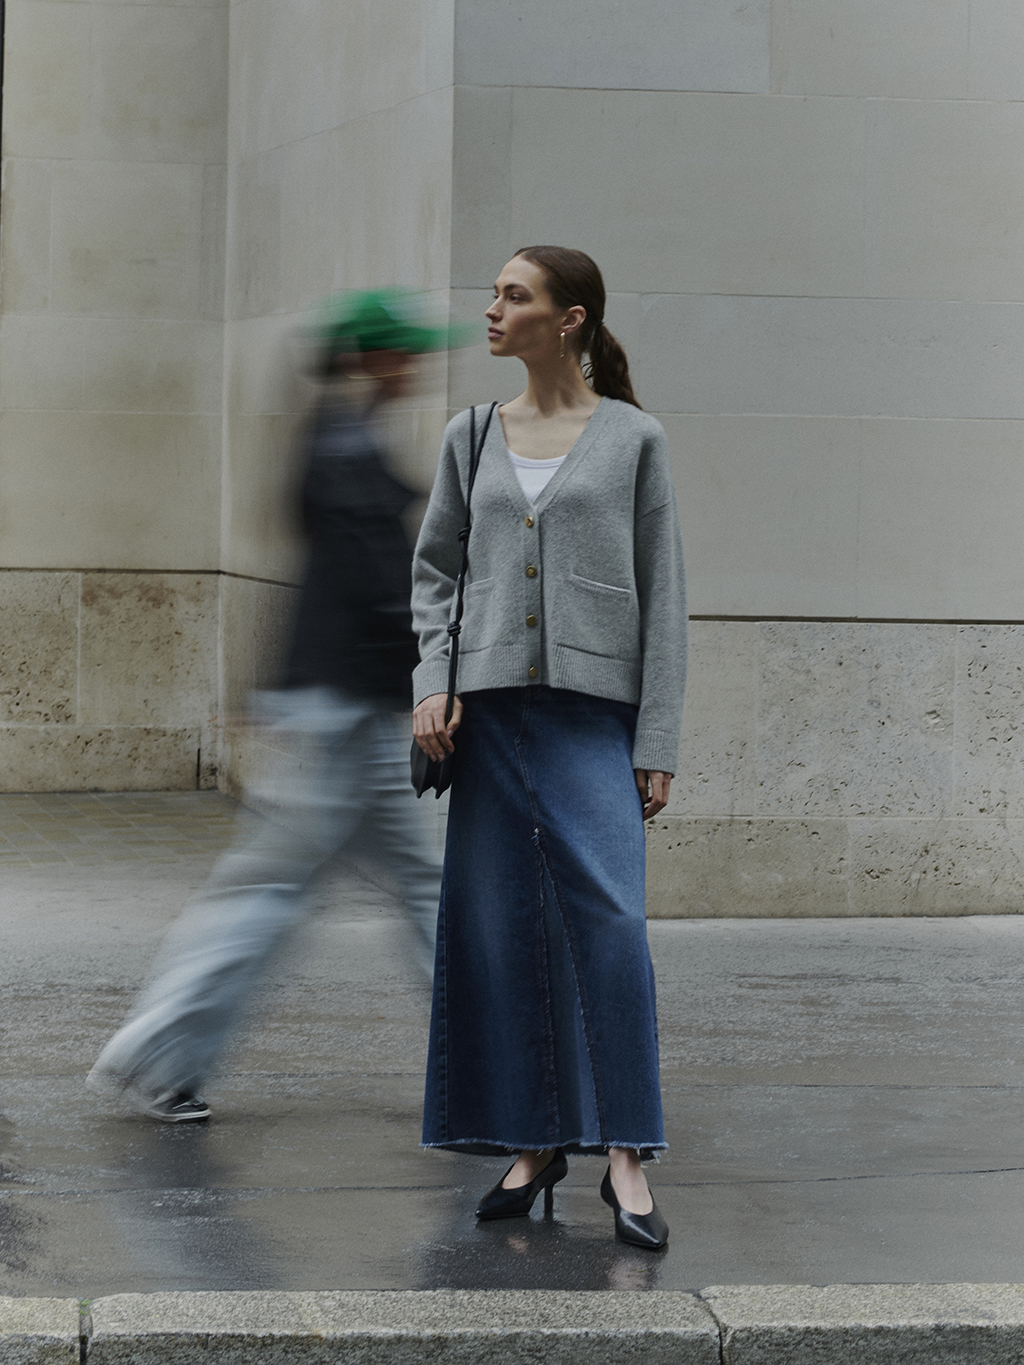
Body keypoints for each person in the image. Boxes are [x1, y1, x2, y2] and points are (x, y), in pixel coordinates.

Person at [88, 289, 471, 1123]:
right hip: (350, 716)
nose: (414, 366)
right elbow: (384, 593)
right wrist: (434, 686)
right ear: (370, 359)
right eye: (402, 352)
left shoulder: (341, 440)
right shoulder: (344, 450)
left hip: (343, 711)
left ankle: (484, 1062)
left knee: (403, 887)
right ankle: (157, 1051)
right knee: (279, 893)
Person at [411, 247, 687, 1249]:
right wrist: (430, 685)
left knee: (610, 925)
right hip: (484, 720)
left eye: (512, 296)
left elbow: (665, 597)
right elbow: (435, 573)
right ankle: (532, 1146)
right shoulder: (472, 435)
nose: (490, 310)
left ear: (567, 320)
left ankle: (624, 1151)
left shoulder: (632, 440)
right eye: (494, 294)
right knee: (500, 930)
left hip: (589, 721)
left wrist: (656, 734)